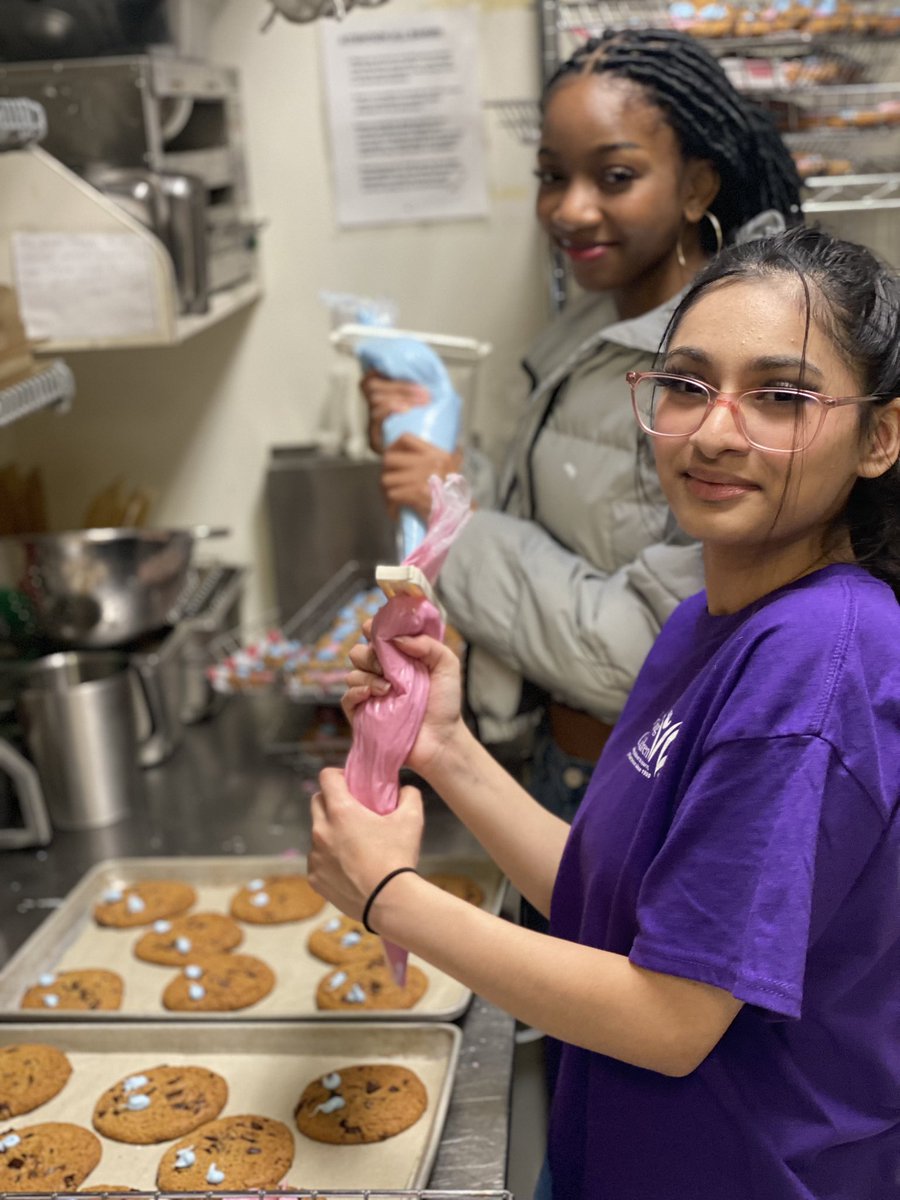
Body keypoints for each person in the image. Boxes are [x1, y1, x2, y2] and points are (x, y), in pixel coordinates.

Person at [310, 225, 900, 1199]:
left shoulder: (820, 660)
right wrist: (448, 750)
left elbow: (671, 1019)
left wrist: (389, 899)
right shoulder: (711, 618)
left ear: (879, 436)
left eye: (780, 396)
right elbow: (610, 901)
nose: (715, 430)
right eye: (685, 384)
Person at [361, 28, 804, 835]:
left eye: (616, 175)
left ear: (698, 184)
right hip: (563, 769)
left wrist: (451, 527)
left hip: (651, 794)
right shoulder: (589, 333)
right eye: (551, 177)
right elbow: (554, 522)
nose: (569, 208)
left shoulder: (719, 377)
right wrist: (436, 459)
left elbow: (645, 652)